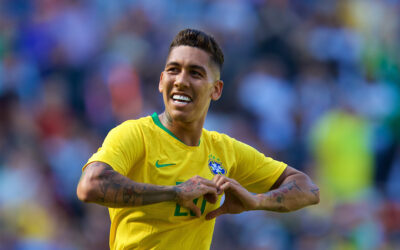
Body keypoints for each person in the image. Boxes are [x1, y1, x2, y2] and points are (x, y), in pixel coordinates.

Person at [77, 28, 320, 250]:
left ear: (216, 89)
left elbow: (308, 189)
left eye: (195, 73)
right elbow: (90, 185)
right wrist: (173, 192)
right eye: (174, 70)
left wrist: (256, 201)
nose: (181, 81)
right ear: (162, 81)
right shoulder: (134, 135)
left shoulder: (224, 150)